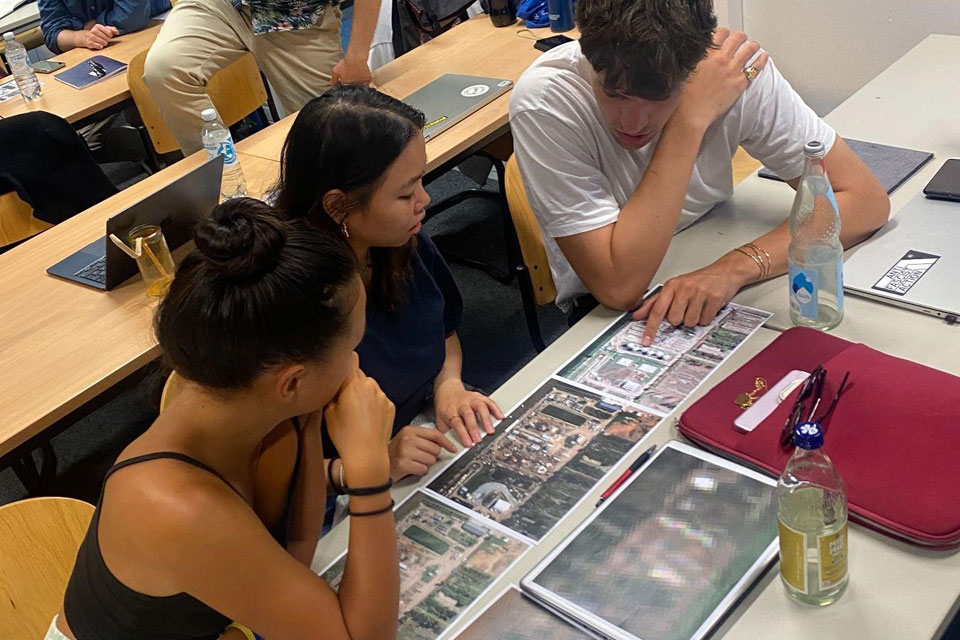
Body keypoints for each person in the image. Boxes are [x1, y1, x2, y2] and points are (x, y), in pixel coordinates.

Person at [47, 198, 399, 640]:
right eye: (352, 346)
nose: (354, 362)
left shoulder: (254, 398)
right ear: (291, 381)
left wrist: (310, 420)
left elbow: (296, 551)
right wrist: (369, 470)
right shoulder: (177, 509)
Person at [509, 0, 889, 341]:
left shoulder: (734, 72)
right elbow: (618, 286)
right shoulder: (545, 101)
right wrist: (688, 120)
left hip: (713, 248)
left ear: (697, 65)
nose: (633, 121)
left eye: (660, 98)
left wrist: (733, 269)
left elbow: (866, 202)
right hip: (607, 305)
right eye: (615, 94)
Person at [274, 85, 503, 484]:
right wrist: (369, 464)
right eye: (404, 193)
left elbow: (442, 328)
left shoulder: (398, 241)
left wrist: (448, 384)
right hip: (338, 484)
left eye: (420, 182)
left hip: (418, 432)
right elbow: (266, 471)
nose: (425, 199)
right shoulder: (291, 302)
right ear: (338, 206)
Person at [142, 0, 379, 155]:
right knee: (164, 69)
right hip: (217, 5)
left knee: (334, 130)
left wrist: (357, 57)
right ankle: (223, 187)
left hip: (294, 13)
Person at [38, 0, 170, 53]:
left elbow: (133, 15)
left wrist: (95, 25)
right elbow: (52, 34)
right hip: (110, 48)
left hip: (157, 27)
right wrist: (81, 38)